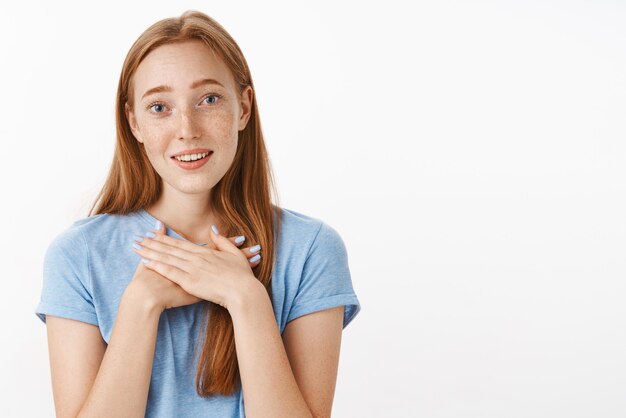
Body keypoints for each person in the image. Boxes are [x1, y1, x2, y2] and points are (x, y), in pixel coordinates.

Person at [34, 9, 361, 418]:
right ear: (133, 122)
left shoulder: (311, 250)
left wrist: (246, 299)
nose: (187, 128)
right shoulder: (78, 255)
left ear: (243, 108)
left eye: (209, 99)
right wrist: (140, 305)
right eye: (159, 107)